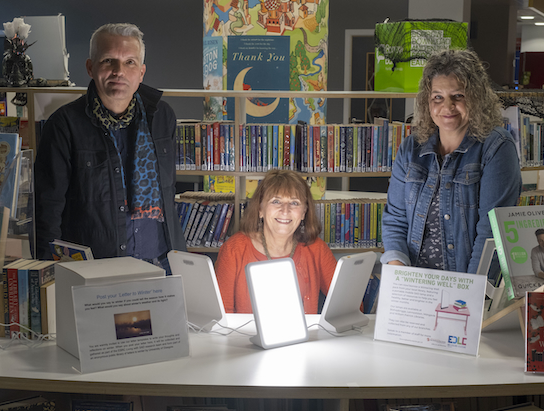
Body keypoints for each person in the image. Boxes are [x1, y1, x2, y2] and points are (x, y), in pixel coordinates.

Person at [34, 23, 186, 268]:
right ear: (91, 68)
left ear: (141, 72)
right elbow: (47, 210)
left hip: (161, 265)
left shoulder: (162, 117)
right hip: (95, 272)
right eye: (108, 61)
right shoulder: (64, 125)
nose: (119, 71)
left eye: (129, 62)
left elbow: (167, 192)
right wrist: (48, 275)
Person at [381, 49, 522, 273]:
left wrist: (468, 293)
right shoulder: (411, 148)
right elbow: (395, 220)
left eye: (458, 96)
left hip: (466, 287)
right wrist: (399, 276)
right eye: (437, 97)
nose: (447, 107)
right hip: (414, 285)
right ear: (427, 102)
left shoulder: (496, 148)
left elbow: (491, 234)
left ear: (476, 98)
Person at [215, 169, 336, 314]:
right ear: (260, 209)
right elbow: (221, 319)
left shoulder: (316, 249)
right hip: (246, 336)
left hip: (305, 337)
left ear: (304, 212)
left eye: (294, 203)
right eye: (276, 201)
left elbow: (347, 306)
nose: (285, 210)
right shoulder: (234, 250)